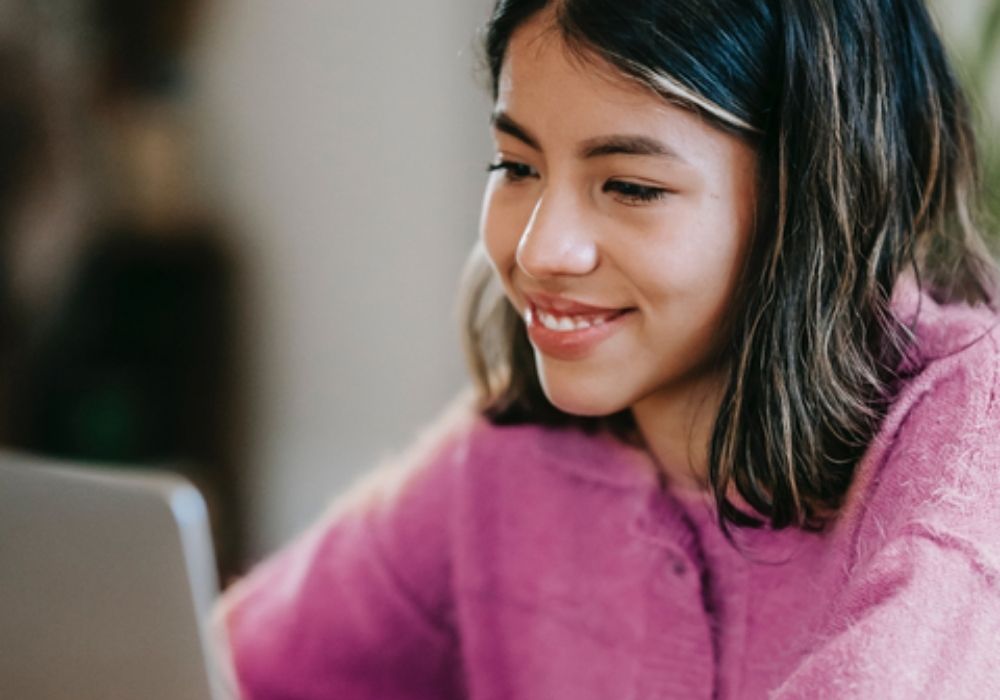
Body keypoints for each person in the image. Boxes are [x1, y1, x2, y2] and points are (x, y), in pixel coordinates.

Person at [215, 0, 1000, 697]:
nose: (540, 248)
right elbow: (227, 667)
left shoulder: (968, 439)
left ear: (817, 196)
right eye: (516, 166)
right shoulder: (505, 462)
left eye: (630, 187)